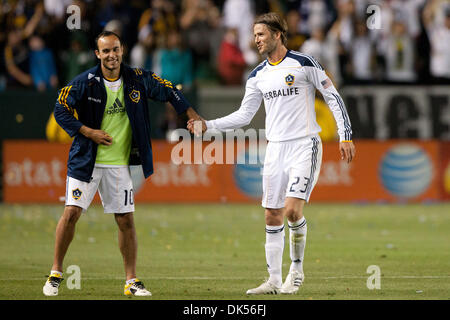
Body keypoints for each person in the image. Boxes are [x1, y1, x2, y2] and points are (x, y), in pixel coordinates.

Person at [188, 12, 355, 295]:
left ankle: (297, 270)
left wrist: (345, 134)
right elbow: (244, 115)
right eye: (254, 35)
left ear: (278, 34)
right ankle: (273, 280)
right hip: (275, 148)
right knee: (271, 215)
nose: (256, 40)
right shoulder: (257, 76)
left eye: (261, 34)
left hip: (304, 144)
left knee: (291, 210)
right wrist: (209, 125)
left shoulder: (303, 63)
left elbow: (332, 95)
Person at [43, 30, 201, 297]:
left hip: (118, 165)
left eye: (115, 49)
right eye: (105, 51)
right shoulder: (85, 82)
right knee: (71, 214)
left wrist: (190, 112)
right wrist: (88, 131)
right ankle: (56, 273)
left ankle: (131, 281)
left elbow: (168, 89)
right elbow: (60, 108)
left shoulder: (137, 79)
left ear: (122, 50)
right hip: (86, 162)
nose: (111, 55)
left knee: (126, 220)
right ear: (97, 54)